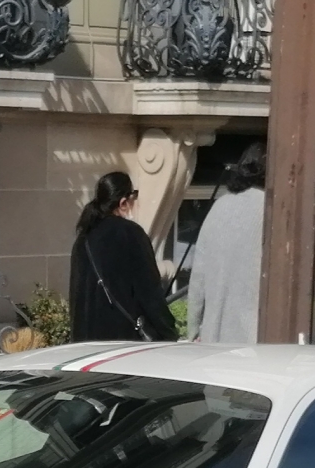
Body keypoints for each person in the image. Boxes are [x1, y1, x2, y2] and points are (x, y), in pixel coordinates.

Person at [68, 171, 177, 342]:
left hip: (86, 348)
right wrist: (168, 331)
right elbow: (149, 292)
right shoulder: (130, 234)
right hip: (123, 345)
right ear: (123, 202)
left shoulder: (83, 239)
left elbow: (76, 302)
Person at [182, 143, 265, 343]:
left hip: (213, 339)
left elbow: (198, 278)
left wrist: (193, 330)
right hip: (257, 345)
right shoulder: (271, 208)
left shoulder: (219, 206)